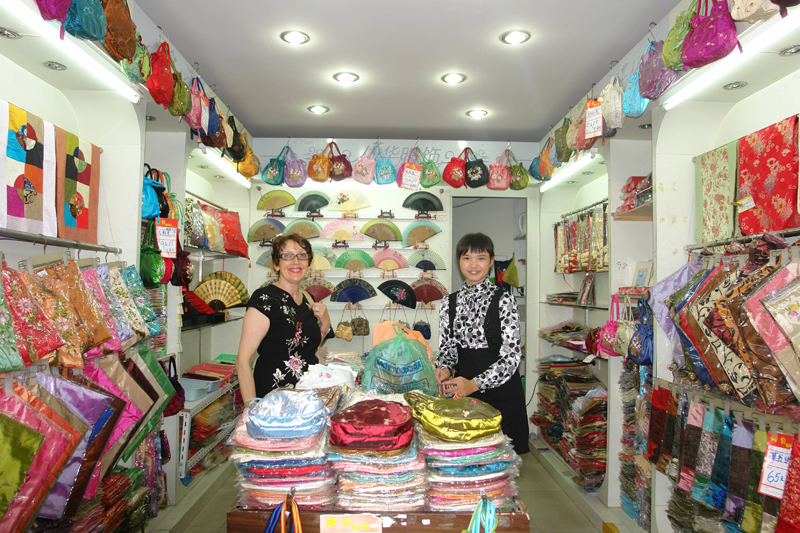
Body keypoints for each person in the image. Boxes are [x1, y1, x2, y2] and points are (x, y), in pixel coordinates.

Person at [436, 233, 529, 454]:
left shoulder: (504, 300)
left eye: (481, 258)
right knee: (469, 461)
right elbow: (447, 348)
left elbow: (511, 357)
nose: (473, 265)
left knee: (503, 465)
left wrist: (474, 384)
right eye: (466, 258)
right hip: (465, 394)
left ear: (491, 261)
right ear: (459, 261)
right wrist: (444, 368)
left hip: (502, 394)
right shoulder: (449, 302)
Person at [236, 234, 333, 403]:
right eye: (287, 256)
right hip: (273, 398)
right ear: (276, 264)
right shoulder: (265, 300)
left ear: (309, 263)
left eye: (302, 255)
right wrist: (251, 407)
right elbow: (243, 361)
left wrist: (325, 324)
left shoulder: (308, 299)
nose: (296, 262)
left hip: (306, 395)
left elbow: (306, 348)